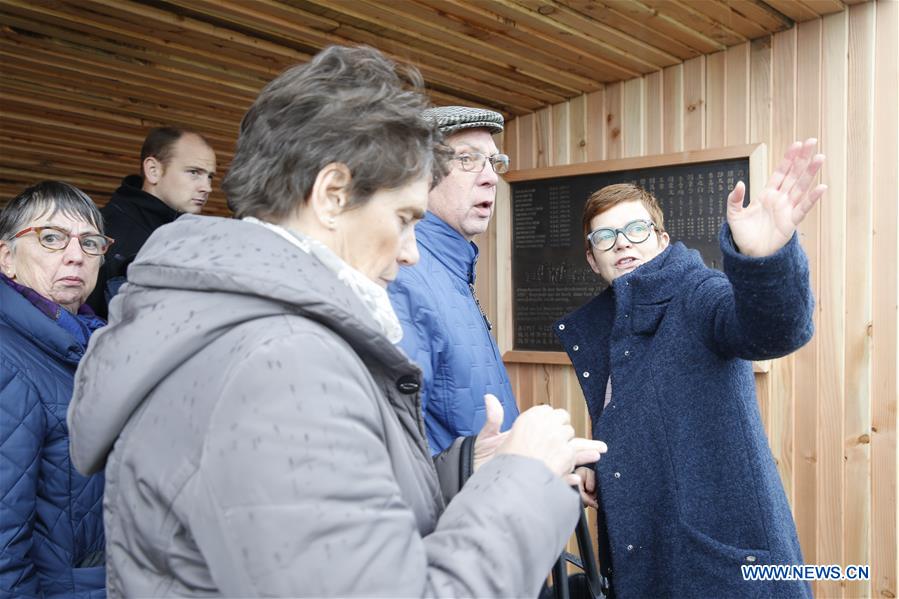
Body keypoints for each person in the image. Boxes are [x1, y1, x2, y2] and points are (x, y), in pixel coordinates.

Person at [67, 45, 604, 597]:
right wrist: (526, 480)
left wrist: (471, 467)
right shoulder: (279, 364)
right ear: (331, 196)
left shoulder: (240, 330)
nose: (411, 252)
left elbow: (321, 523)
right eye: (402, 218)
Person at [555, 140, 826, 599]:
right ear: (591, 258)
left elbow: (775, 331)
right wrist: (602, 464)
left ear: (662, 240)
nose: (622, 243)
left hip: (723, 572)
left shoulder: (698, 293)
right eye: (605, 237)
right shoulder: (609, 326)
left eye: (637, 229)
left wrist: (765, 260)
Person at [0, 181, 112, 597]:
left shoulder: (91, 342)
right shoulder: (8, 359)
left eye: (91, 242)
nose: (75, 255)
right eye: (51, 238)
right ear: (6, 257)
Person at [388, 105, 517, 455]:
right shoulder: (404, 278)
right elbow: (400, 453)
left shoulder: (451, 269)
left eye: (494, 162)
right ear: (417, 175)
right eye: (467, 160)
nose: (490, 177)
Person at [85, 126, 216, 318]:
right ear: (153, 170)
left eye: (210, 176)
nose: (207, 187)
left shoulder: (199, 241)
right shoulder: (100, 233)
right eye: (194, 172)